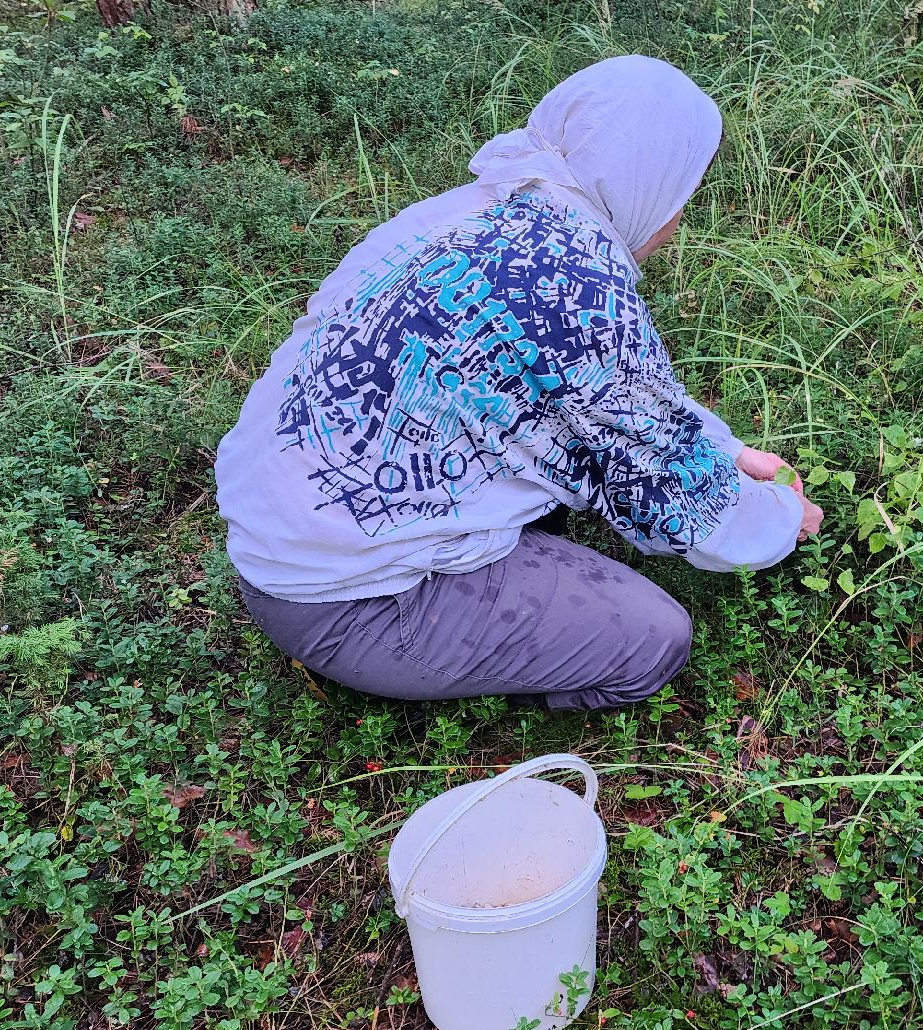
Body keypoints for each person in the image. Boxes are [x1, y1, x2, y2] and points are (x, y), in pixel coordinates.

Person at [214, 55, 822, 711]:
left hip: (277, 536)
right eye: (684, 197)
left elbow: (596, 389)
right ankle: (491, 680)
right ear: (652, 182)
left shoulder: (479, 208)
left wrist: (727, 450)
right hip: (351, 603)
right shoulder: (577, 286)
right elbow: (680, 500)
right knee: (654, 640)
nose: (678, 224)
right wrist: (785, 518)